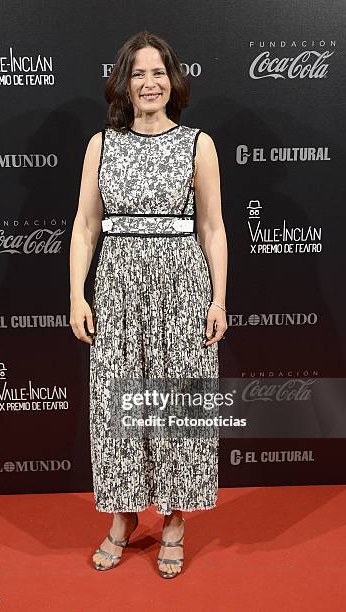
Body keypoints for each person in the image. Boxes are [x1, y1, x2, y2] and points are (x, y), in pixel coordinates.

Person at [69, 30, 227, 579]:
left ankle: (176, 522)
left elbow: (211, 226)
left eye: (157, 72)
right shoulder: (102, 145)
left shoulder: (197, 143)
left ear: (173, 79)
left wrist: (218, 299)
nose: (149, 82)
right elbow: (86, 224)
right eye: (137, 73)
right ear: (123, 83)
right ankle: (123, 517)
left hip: (182, 286)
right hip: (117, 287)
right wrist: (76, 293)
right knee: (117, 407)